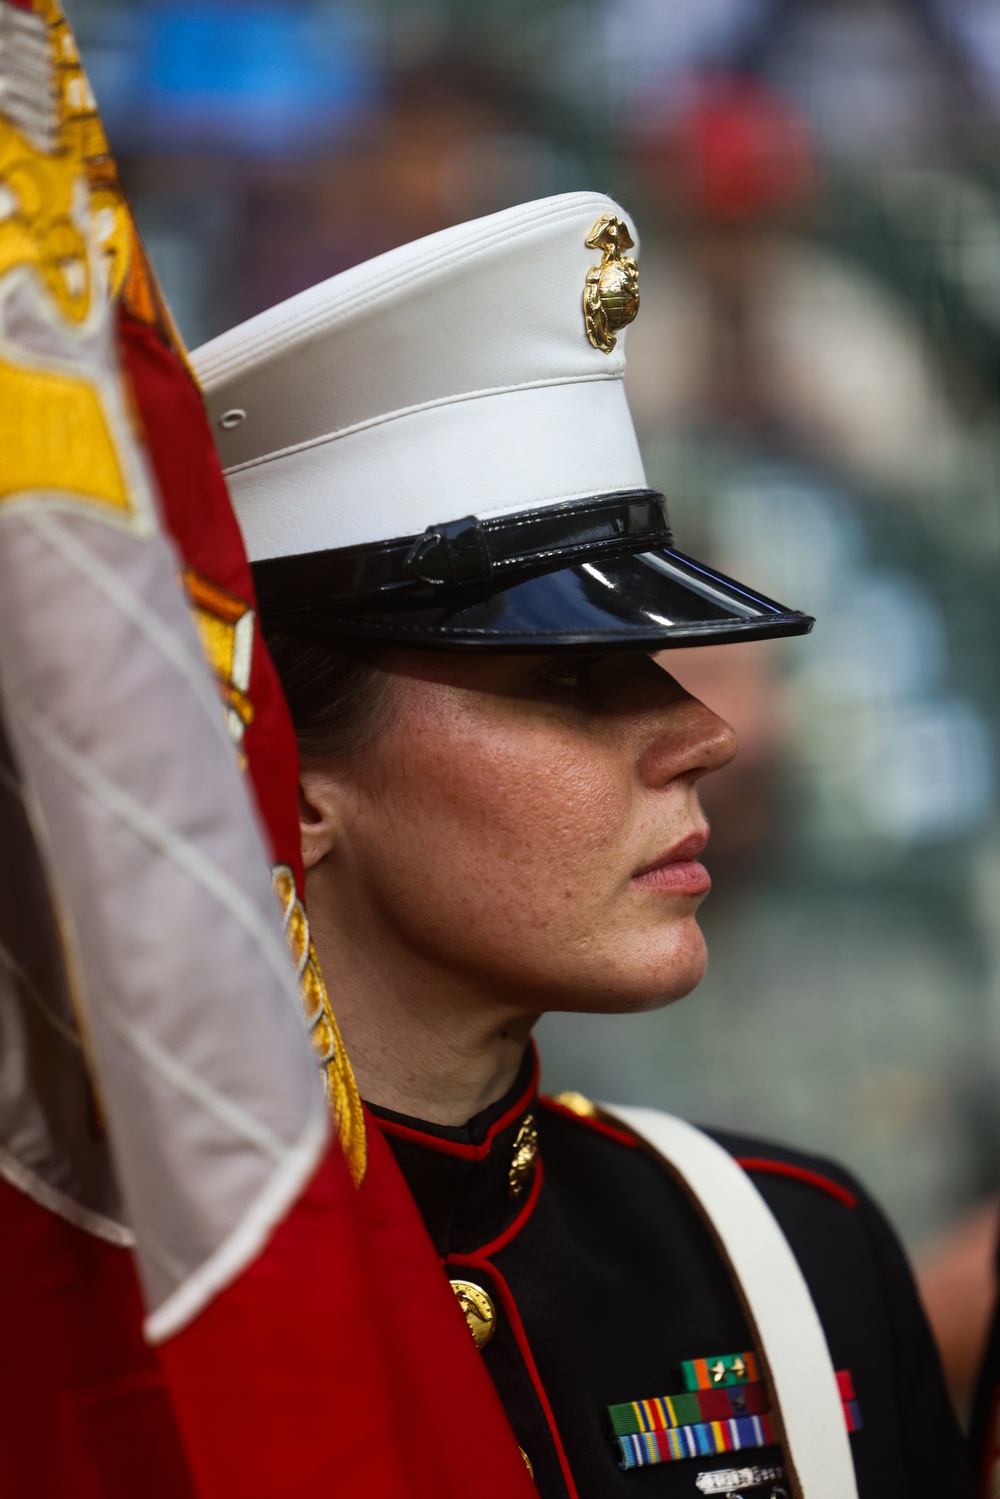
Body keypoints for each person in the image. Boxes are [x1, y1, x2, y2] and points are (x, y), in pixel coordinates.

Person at [191, 193, 970, 1499]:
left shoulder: (784, 1256)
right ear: (291, 773)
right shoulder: (91, 1323)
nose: (700, 735)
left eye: (653, 665)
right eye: (565, 681)